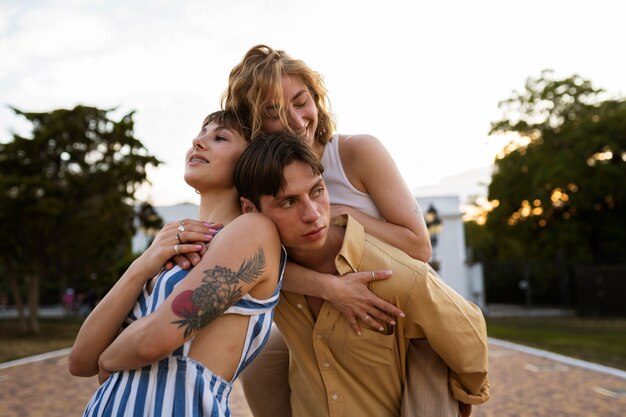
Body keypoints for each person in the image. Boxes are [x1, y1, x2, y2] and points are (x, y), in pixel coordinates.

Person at [222, 44, 461, 416]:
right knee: (258, 358)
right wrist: (329, 288)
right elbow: (250, 266)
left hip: (397, 316)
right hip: (317, 319)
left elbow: (419, 247)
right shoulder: (257, 186)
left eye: (302, 101)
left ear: (316, 98)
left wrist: (343, 213)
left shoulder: (356, 153)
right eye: (273, 112)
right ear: (253, 123)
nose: (297, 121)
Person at [234, 132, 490, 417]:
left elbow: (470, 335)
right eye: (288, 202)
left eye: (317, 191)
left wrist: (456, 394)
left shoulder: (393, 274)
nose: (313, 215)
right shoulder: (266, 271)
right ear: (249, 209)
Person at [68, 110, 286, 417]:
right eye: (200, 133)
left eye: (219, 137)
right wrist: (143, 264)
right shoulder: (169, 247)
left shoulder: (254, 230)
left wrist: (108, 359)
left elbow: (149, 344)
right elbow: (80, 360)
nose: (198, 141)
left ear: (249, 162)